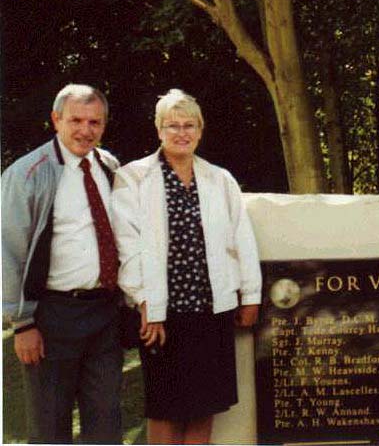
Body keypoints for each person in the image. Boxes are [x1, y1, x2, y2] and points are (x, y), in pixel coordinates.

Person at [111, 89, 262, 444]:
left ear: (200, 129)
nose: (182, 132)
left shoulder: (219, 179)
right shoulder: (134, 177)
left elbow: (242, 239)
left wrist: (250, 295)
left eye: (189, 125)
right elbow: (127, 247)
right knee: (165, 410)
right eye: (172, 125)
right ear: (159, 130)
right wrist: (147, 303)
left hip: (212, 312)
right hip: (162, 315)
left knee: (202, 409)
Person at [1, 84, 123, 443]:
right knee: (50, 427)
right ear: (56, 120)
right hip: (52, 317)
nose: (86, 130)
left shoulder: (109, 166)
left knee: (106, 424)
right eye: (76, 120)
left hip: (104, 315)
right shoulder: (27, 175)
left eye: (94, 122)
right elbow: (8, 251)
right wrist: (21, 323)